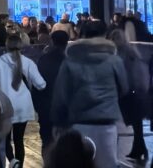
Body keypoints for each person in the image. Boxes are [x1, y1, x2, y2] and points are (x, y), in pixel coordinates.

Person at [51, 19, 128, 168]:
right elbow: (124, 88)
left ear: (82, 35)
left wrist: (58, 122)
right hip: (107, 124)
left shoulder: (70, 61)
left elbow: (61, 95)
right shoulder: (114, 60)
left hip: (79, 124)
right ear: (105, 35)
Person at [0, 33, 46, 168]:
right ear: (21, 46)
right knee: (19, 140)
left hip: (5, 106)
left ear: (6, 46)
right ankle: (19, 165)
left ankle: (13, 161)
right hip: (23, 105)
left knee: (5, 139)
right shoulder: (27, 62)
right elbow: (41, 84)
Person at [108, 28, 149, 161]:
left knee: (135, 121)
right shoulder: (126, 52)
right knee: (135, 122)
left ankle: (139, 148)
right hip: (131, 90)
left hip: (130, 91)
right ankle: (139, 147)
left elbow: (131, 72)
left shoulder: (125, 53)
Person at [33, 30, 69, 153]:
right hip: (66, 109)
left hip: (46, 107)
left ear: (52, 42)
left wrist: (37, 106)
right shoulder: (70, 60)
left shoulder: (43, 60)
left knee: (47, 142)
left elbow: (37, 84)